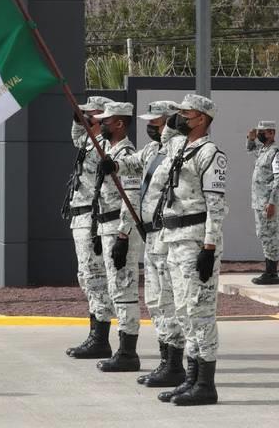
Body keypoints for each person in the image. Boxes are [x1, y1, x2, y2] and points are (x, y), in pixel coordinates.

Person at [100, 101, 186, 386]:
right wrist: (114, 163)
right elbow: (132, 164)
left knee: (168, 300)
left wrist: (123, 234)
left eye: (156, 121)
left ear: (170, 121)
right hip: (150, 235)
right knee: (155, 300)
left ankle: (174, 364)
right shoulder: (151, 150)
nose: (150, 126)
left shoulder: (179, 150)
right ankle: (165, 362)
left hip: (167, 234)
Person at [154, 94, 226, 406]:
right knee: (183, 312)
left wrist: (209, 247)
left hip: (197, 240)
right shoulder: (180, 147)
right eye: (181, 113)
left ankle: (206, 385)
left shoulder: (211, 154)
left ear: (203, 118)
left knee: (200, 313)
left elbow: (216, 207)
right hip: (174, 238)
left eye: (188, 113)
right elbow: (166, 139)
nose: (181, 117)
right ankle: (191, 378)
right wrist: (172, 121)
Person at [90, 102, 142, 372]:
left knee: (124, 291)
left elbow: (131, 197)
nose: (102, 125)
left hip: (120, 229)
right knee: (115, 289)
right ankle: (122, 349)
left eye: (107, 121)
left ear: (120, 123)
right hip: (106, 226)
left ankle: (127, 353)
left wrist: (123, 236)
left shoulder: (127, 153)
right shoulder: (109, 151)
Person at [63, 96, 114, 359]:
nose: (84, 119)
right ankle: (95, 331)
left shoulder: (104, 145)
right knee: (87, 276)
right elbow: (76, 136)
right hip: (80, 216)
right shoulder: (88, 141)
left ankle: (100, 337)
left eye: (89, 115)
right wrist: (78, 120)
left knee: (95, 277)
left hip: (93, 218)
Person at [246, 121, 279, 285]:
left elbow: (278, 179)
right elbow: (250, 150)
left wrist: (272, 202)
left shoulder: (275, 152)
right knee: (264, 235)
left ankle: (272, 273)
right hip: (259, 202)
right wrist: (250, 139)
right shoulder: (264, 151)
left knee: (270, 236)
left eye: (263, 132)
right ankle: (270, 271)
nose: (260, 134)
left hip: (268, 202)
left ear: (272, 133)